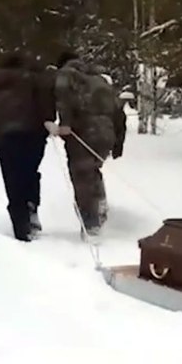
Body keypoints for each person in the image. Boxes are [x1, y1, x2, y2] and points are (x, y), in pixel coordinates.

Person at [0, 51, 56, 242]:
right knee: (30, 173)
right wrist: (47, 124)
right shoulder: (34, 79)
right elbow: (45, 102)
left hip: (5, 139)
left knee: (13, 182)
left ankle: (21, 228)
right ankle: (32, 207)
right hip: (33, 134)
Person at [50, 51, 127, 235]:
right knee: (92, 170)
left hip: (84, 132)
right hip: (106, 133)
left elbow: (63, 99)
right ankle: (100, 205)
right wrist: (118, 141)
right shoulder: (100, 80)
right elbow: (118, 112)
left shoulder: (67, 74)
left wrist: (65, 124)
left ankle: (91, 223)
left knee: (81, 176)